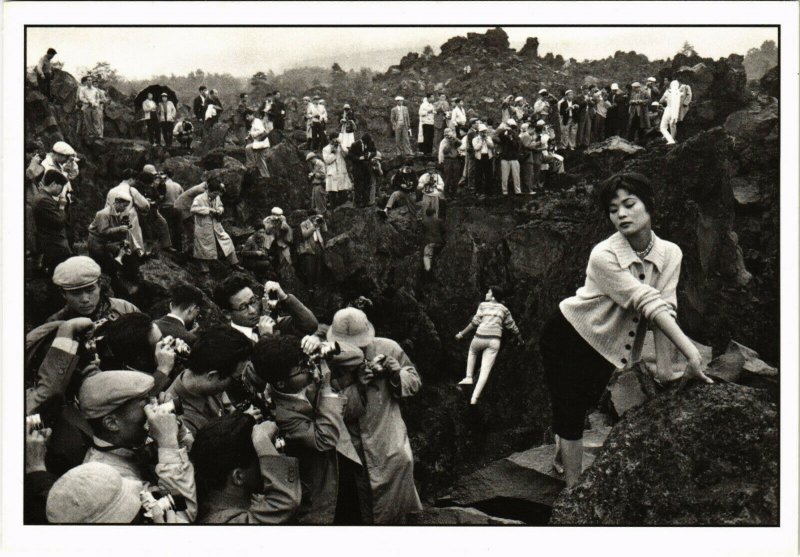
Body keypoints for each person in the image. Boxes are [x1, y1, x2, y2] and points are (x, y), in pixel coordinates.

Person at [540, 172, 713, 487]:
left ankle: (563, 454)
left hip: (607, 346)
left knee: (585, 402)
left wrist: (665, 369)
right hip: (568, 334)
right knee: (570, 409)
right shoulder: (603, 255)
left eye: (629, 204)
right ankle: (573, 494)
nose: (620, 214)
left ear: (649, 206)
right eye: (613, 208)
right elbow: (645, 301)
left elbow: (665, 308)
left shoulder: (671, 253)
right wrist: (691, 353)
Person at [326, 308, 423, 524]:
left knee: (396, 504)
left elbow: (415, 382)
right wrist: (357, 386)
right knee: (364, 509)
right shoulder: (330, 362)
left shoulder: (388, 347)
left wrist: (395, 373)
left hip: (390, 439)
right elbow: (331, 412)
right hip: (355, 448)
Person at [250, 335, 361, 524]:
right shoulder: (284, 414)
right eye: (302, 369)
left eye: (306, 362)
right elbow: (323, 440)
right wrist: (326, 388)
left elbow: (358, 356)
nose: (310, 369)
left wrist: (324, 347)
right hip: (322, 485)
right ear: (281, 383)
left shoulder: (301, 377)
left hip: (344, 462)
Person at [78, 370, 197, 521]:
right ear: (112, 423)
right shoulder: (110, 481)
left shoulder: (130, 440)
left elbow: (194, 454)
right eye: (145, 404)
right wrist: (168, 443)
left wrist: (176, 430)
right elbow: (182, 515)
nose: (152, 409)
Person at [190, 413, 301, 523]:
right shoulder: (225, 523)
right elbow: (285, 502)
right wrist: (262, 441)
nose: (268, 465)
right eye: (262, 459)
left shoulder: (229, 502)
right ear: (238, 477)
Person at [165, 326, 254, 436]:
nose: (237, 381)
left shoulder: (207, 381)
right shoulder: (179, 422)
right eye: (235, 378)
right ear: (212, 375)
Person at [456, 285, 522, 405]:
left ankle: (468, 377)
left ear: (493, 297)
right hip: (494, 340)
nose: (486, 293)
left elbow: (474, 323)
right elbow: (512, 327)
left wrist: (461, 334)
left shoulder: (482, 305)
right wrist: (520, 340)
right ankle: (474, 399)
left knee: (472, 351)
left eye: (489, 292)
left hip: (480, 337)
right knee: (485, 370)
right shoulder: (504, 309)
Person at [213, 275, 318, 342]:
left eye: (253, 301)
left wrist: (284, 297)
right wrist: (266, 338)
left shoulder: (268, 322)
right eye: (243, 307)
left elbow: (310, 325)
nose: (253, 310)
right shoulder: (227, 341)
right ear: (227, 313)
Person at [100, 312, 177, 393]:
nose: (167, 344)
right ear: (141, 359)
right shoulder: (123, 386)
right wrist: (163, 370)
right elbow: (144, 399)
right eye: (160, 343)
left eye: (163, 337)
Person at [190, 178, 242, 272]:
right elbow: (193, 209)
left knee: (227, 240)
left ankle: (234, 263)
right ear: (208, 190)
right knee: (204, 247)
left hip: (216, 224)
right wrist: (208, 210)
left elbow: (220, 205)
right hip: (203, 227)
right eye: (214, 194)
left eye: (217, 194)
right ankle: (204, 268)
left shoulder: (217, 197)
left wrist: (220, 210)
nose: (216, 196)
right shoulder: (199, 198)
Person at [88, 189, 135, 277]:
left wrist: (122, 240)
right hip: (96, 244)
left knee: (125, 257)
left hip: (105, 242)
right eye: (124, 205)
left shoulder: (117, 213)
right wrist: (120, 228)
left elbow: (112, 230)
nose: (125, 208)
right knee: (101, 267)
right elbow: (103, 231)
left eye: (126, 206)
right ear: (117, 202)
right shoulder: (103, 214)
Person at [33, 170, 72, 277]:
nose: (61, 190)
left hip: (52, 243)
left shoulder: (43, 196)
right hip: (53, 244)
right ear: (54, 184)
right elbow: (59, 221)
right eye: (61, 186)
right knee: (58, 274)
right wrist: (62, 206)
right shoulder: (44, 200)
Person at [105, 171, 152, 257]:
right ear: (130, 179)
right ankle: (137, 256)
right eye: (134, 179)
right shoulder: (131, 190)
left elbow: (106, 208)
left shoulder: (111, 190)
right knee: (133, 241)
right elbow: (145, 205)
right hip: (128, 220)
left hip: (114, 220)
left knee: (118, 242)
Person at [173, 180, 207, 257]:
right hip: (183, 209)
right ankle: (186, 252)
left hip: (182, 207)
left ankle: (186, 251)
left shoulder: (199, 187)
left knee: (188, 229)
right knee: (190, 230)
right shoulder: (201, 190)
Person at [297, 212, 327, 288]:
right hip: (308, 247)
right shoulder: (303, 224)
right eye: (313, 217)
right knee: (310, 268)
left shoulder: (318, 221)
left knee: (319, 266)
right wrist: (314, 226)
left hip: (318, 245)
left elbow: (325, 230)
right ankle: (310, 287)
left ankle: (318, 285)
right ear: (308, 216)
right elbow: (305, 234)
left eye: (315, 217)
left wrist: (323, 221)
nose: (314, 218)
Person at [322, 133, 353, 208]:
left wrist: (341, 144)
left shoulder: (340, 147)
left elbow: (346, 154)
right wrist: (333, 153)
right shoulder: (326, 149)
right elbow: (327, 161)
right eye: (334, 138)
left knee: (342, 190)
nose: (335, 140)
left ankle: (343, 208)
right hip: (332, 173)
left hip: (341, 171)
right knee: (332, 192)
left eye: (337, 138)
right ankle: (333, 209)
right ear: (331, 139)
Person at [158, 170, 184, 251]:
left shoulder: (162, 185)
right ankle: (179, 248)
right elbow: (183, 196)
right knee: (177, 229)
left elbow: (160, 198)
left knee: (168, 229)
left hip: (166, 208)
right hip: (177, 208)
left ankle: (168, 248)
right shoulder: (178, 185)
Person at [347, 133, 375, 208]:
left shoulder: (370, 142)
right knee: (358, 185)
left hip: (367, 167)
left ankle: (366, 201)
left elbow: (374, 151)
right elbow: (350, 155)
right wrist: (359, 158)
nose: (367, 144)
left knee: (367, 184)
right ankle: (358, 202)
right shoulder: (355, 145)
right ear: (362, 141)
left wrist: (370, 154)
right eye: (365, 143)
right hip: (358, 167)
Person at [497, 119, 522, 196]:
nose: (511, 129)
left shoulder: (516, 136)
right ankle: (505, 191)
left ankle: (517, 191)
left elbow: (517, 146)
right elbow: (497, 137)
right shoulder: (503, 134)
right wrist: (504, 130)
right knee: (504, 176)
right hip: (505, 158)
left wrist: (511, 138)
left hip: (514, 158)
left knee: (516, 176)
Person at [244, 111, 272, 179]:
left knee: (248, 148)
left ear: (252, 115)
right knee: (260, 159)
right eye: (246, 117)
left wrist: (252, 134)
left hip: (262, 142)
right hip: (261, 142)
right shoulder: (254, 122)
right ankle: (266, 175)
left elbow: (261, 131)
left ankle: (251, 165)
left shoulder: (257, 121)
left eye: (248, 116)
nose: (247, 118)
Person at [472, 123, 495, 196]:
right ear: (479, 132)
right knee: (478, 175)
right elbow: (476, 148)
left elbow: (491, 146)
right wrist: (481, 141)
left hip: (488, 157)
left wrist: (486, 140)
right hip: (479, 157)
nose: (483, 133)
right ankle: (478, 191)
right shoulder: (475, 139)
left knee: (489, 175)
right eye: (482, 132)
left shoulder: (488, 138)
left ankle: (489, 191)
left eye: (485, 131)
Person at [422, 207, 445, 276]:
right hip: (439, 242)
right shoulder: (439, 221)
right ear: (434, 213)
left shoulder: (424, 222)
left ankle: (428, 271)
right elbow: (444, 230)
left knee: (427, 256)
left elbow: (423, 233)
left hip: (429, 242)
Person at [659, 80, 683, 145]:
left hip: (668, 110)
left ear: (671, 85)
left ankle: (670, 140)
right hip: (675, 111)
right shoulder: (679, 93)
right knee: (672, 125)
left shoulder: (668, 91)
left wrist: (666, 100)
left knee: (663, 127)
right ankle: (672, 139)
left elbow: (661, 101)